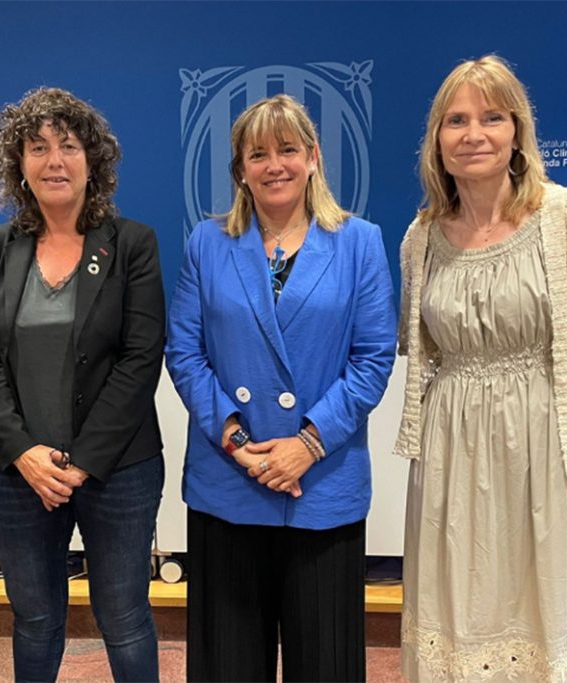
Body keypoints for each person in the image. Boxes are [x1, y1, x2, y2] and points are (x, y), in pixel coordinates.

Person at [395, 55, 567, 682]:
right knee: (460, 602)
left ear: (518, 130)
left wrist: (527, 398)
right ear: (437, 140)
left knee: (549, 596)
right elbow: (424, 349)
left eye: (492, 118)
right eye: (457, 120)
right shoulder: (419, 238)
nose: (474, 134)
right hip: (452, 451)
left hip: (550, 443)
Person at [166, 94, 397, 682]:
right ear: (240, 169)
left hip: (320, 483)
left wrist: (308, 445)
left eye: (288, 150)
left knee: (325, 662)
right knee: (228, 664)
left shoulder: (359, 242)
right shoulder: (207, 243)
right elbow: (185, 352)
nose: (275, 165)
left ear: (313, 157)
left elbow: (372, 360)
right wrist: (234, 437)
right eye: (258, 153)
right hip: (230, 479)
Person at [0, 87, 165, 683]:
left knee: (124, 615)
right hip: (18, 473)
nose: (55, 160)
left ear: (92, 161)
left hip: (117, 469)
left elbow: (139, 358)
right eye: (38, 147)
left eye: (69, 146)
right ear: (18, 166)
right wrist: (24, 451)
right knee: (34, 618)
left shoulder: (131, 243)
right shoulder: (1, 247)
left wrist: (80, 463)